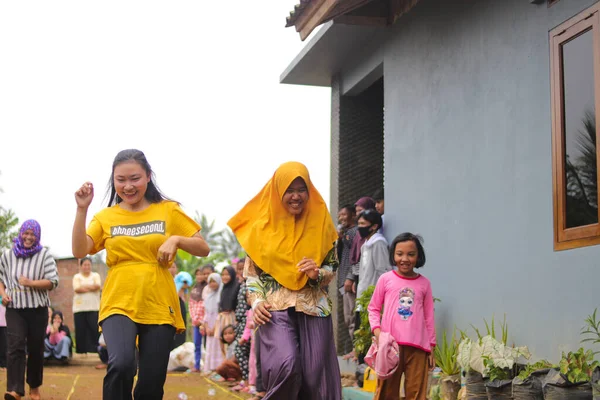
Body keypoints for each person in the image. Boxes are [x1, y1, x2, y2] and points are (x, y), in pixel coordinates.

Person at [71, 149, 210, 400]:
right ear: (113, 181)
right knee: (122, 363)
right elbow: (80, 249)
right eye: (120, 180)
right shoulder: (106, 217)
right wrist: (82, 210)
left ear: (148, 176)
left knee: (151, 384)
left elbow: (203, 247)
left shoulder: (168, 210)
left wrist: (176, 239)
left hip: (158, 303)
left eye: (134, 178)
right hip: (118, 302)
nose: (128, 186)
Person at [228, 161, 342, 399]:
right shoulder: (259, 229)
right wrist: (257, 302)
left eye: (301, 189)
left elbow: (331, 267)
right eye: (289, 190)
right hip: (274, 308)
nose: (296, 196)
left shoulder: (322, 223)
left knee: (314, 377)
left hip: (313, 307)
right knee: (286, 365)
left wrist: (317, 274)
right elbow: (251, 275)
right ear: (278, 191)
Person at [368, 233, 435, 400]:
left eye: (410, 254)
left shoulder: (424, 284)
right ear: (393, 255)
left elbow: (428, 317)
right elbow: (373, 308)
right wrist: (378, 333)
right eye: (399, 254)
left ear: (418, 256)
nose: (405, 259)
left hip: (418, 349)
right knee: (386, 393)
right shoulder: (385, 279)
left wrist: (431, 347)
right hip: (390, 347)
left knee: (417, 394)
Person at [0, 219, 59, 400]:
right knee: (15, 346)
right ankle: (15, 390)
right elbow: (1, 278)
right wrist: (3, 295)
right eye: (26, 233)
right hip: (15, 308)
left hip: (37, 309)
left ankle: (34, 388)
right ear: (20, 233)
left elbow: (53, 282)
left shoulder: (45, 256)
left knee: (35, 348)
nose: (28, 237)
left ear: (38, 236)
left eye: (33, 234)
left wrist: (31, 283)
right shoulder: (7, 255)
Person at [355, 209, 391, 301]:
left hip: (374, 296)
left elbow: (383, 270)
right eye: (359, 224)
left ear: (374, 226)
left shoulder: (378, 243)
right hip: (364, 294)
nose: (360, 227)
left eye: (363, 224)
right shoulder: (366, 244)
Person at [337, 204, 358, 358]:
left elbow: (356, 257)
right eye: (340, 215)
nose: (341, 218)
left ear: (353, 215)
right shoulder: (345, 233)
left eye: (344, 214)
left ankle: (358, 350)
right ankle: (355, 348)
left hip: (349, 281)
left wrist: (351, 278)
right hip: (344, 281)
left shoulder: (355, 232)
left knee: (352, 316)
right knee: (348, 318)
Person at [72, 257, 101, 355]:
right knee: (81, 330)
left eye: (88, 265)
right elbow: (77, 289)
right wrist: (91, 288)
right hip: (79, 308)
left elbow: (98, 286)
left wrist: (84, 287)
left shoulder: (95, 275)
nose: (87, 267)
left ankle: (96, 350)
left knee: (94, 329)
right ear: (81, 266)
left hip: (94, 307)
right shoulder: (77, 277)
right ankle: (81, 352)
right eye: (85, 265)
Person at [188, 264, 212, 372]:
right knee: (197, 345)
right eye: (197, 275)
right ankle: (197, 366)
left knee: (208, 344)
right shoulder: (195, 288)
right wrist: (195, 319)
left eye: (201, 274)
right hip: (195, 322)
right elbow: (191, 305)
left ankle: (208, 367)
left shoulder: (208, 288)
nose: (199, 277)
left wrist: (202, 321)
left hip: (205, 322)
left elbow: (206, 306)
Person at [202, 272, 223, 374]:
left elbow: (219, 312)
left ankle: (218, 369)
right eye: (210, 282)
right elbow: (206, 313)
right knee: (209, 345)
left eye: (214, 281)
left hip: (217, 324)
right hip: (209, 324)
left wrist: (215, 327)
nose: (212, 284)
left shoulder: (221, 296)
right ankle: (210, 368)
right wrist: (206, 327)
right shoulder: (208, 296)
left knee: (217, 346)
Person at [216, 266, 239, 355]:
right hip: (222, 317)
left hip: (231, 316)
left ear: (232, 275)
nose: (224, 277)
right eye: (223, 275)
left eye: (227, 274)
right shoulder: (223, 288)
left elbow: (236, 304)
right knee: (221, 339)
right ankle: (224, 360)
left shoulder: (236, 286)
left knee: (231, 339)